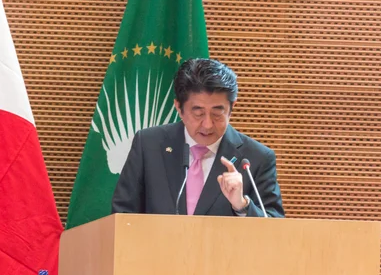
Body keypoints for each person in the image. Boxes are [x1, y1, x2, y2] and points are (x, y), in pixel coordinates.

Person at [111, 58, 284, 217]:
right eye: (198, 113)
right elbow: (122, 214)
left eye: (217, 113)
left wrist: (242, 205)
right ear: (179, 108)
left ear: (231, 108)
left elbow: (274, 229)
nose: (207, 124)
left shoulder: (257, 158)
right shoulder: (148, 145)